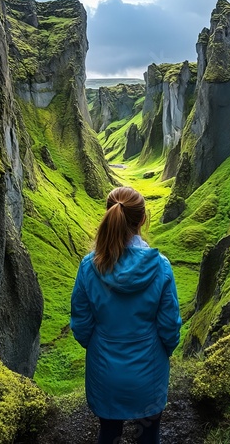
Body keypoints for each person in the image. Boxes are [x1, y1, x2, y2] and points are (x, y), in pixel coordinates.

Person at [71, 186, 182, 444]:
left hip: (104, 371)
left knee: (109, 434)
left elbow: (81, 322)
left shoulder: (89, 266)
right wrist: (164, 351)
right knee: (148, 435)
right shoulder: (161, 267)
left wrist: (99, 345)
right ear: (142, 219)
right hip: (150, 369)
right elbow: (169, 326)